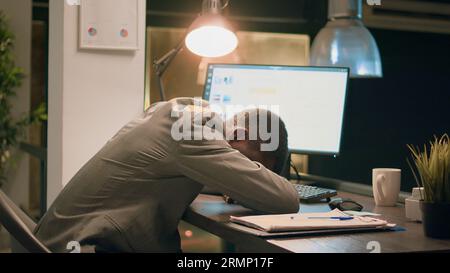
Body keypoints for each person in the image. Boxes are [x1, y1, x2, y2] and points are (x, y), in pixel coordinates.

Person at [34, 97, 299, 253]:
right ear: (240, 135)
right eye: (253, 164)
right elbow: (286, 200)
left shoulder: (177, 114)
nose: (245, 170)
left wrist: (233, 183)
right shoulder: (194, 134)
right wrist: (253, 185)